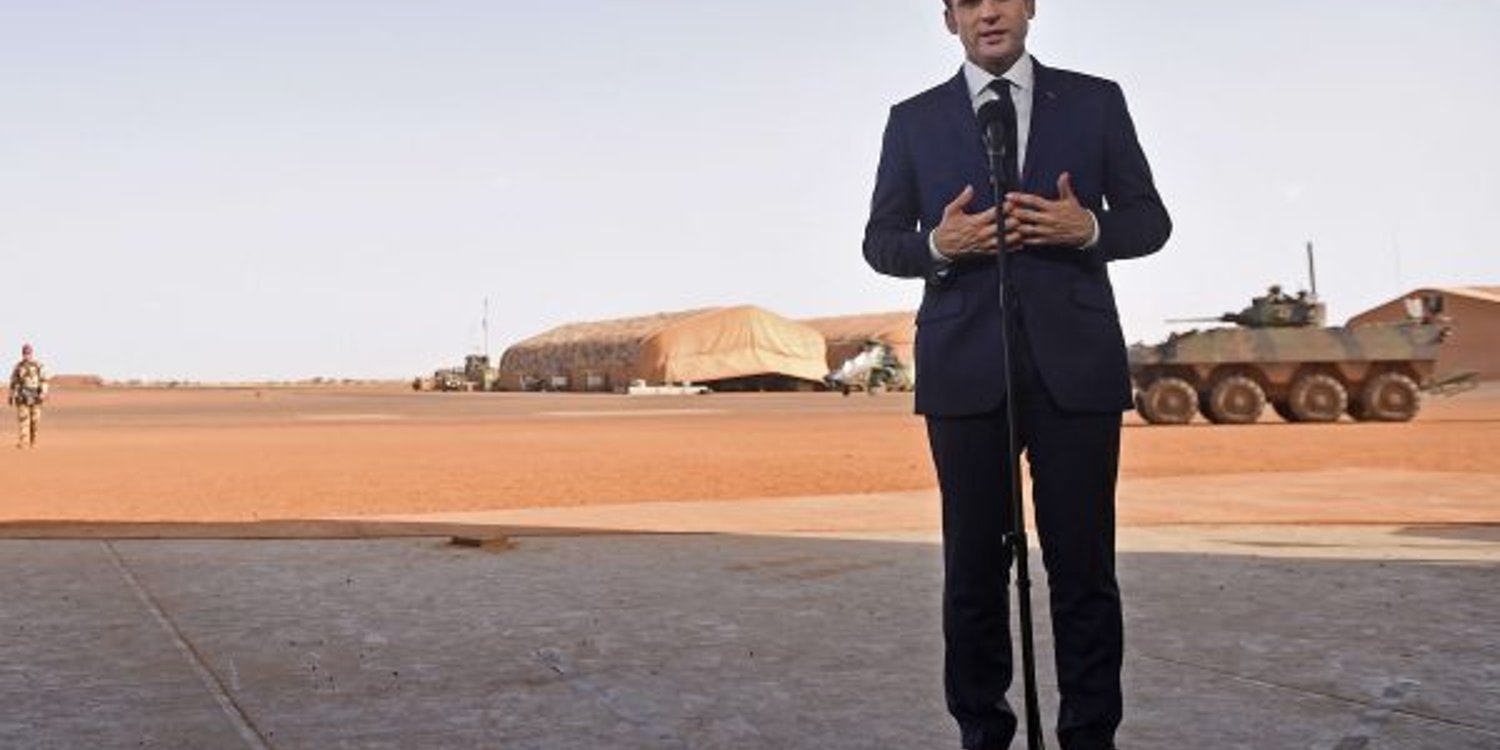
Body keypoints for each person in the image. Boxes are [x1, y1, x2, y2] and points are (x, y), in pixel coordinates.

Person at [862, 1, 1171, 748]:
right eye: (969, 0)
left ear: (1031, 8)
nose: (989, 11)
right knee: (972, 574)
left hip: (1077, 371)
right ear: (949, 20)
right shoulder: (913, 120)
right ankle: (982, 733)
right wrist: (940, 242)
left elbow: (1151, 220)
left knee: (1084, 570)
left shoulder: (1097, 100)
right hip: (965, 371)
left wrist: (1089, 228)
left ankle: (1090, 735)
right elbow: (880, 241)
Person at [9, 344, 49, 449]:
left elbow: (44, 380)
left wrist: (43, 393)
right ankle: (23, 442)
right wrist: (11, 395)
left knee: (35, 421)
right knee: (23, 420)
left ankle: (33, 441)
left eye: (28, 353)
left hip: (35, 396)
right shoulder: (18, 367)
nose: (27, 355)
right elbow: (13, 382)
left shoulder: (38, 366)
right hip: (22, 396)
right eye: (25, 353)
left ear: (32, 353)